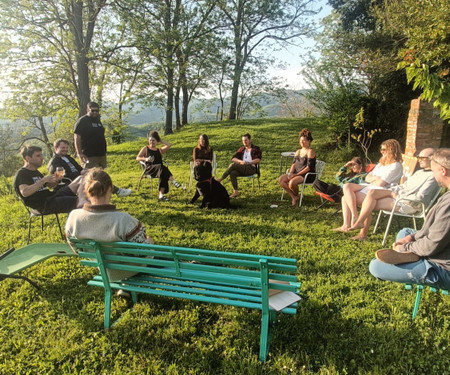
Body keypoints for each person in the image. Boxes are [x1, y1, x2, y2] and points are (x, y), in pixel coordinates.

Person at [369, 148, 450, 290]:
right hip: (440, 247)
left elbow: (432, 244)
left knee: (375, 266)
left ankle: (419, 260)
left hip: (444, 267)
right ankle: (414, 257)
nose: (433, 174)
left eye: (434, 170)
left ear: (443, 171)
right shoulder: (447, 195)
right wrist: (412, 238)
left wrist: (405, 247)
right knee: (406, 232)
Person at [66, 168, 153, 284]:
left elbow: (77, 249)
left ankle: (125, 287)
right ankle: (127, 283)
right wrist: (150, 242)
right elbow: (142, 252)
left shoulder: (73, 217)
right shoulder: (124, 220)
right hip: (132, 270)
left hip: (103, 270)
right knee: (151, 245)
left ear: (86, 190)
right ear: (111, 188)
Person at [349, 148, 439, 240]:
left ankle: (362, 232)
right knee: (372, 193)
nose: (418, 159)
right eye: (418, 157)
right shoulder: (419, 172)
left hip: (408, 203)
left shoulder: (433, 177)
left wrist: (397, 196)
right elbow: (404, 186)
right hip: (398, 196)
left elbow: (420, 198)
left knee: (368, 203)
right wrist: (392, 191)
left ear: (432, 158)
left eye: (422, 157)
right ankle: (360, 225)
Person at [333, 139, 403, 233]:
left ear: (392, 150)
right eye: (381, 149)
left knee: (345, 198)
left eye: (384, 150)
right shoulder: (381, 164)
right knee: (347, 186)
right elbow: (367, 177)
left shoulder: (396, 166)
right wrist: (376, 178)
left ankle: (355, 226)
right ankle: (353, 217)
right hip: (370, 185)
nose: (382, 151)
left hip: (381, 191)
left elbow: (381, 183)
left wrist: (375, 179)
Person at [73, 102, 131, 196]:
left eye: (97, 111)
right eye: (93, 110)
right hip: (89, 154)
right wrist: (79, 153)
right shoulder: (82, 121)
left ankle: (101, 193)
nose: (95, 112)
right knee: (90, 176)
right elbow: (77, 137)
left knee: (101, 176)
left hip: (101, 153)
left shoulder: (97, 120)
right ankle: (116, 191)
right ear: (88, 110)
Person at [14, 145, 82, 214]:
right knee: (80, 201)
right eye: (38, 156)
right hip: (43, 204)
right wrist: (43, 180)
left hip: (52, 196)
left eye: (41, 155)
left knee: (80, 179)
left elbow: (50, 186)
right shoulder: (22, 173)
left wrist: (57, 180)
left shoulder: (36, 171)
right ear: (28, 158)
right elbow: (25, 192)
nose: (42, 158)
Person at [136, 130, 181, 201]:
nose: (152, 142)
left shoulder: (159, 150)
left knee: (163, 172)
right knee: (162, 168)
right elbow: (137, 158)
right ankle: (173, 181)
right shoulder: (146, 148)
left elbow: (169, 145)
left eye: (154, 140)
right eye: (150, 140)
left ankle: (161, 195)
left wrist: (161, 140)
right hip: (149, 169)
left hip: (160, 170)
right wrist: (145, 159)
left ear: (157, 141)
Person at [278, 128, 316, 207]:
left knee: (292, 183)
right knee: (281, 179)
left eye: (304, 140)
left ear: (309, 141)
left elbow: (309, 167)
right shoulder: (298, 151)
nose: (302, 142)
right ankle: (294, 196)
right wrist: (291, 173)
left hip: (306, 174)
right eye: (301, 140)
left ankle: (296, 196)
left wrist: (297, 174)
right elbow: (294, 164)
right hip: (296, 173)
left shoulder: (310, 152)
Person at [217, 133, 262, 198]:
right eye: (243, 141)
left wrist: (248, 163)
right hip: (242, 167)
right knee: (233, 173)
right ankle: (235, 192)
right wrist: (241, 162)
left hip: (251, 168)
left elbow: (258, 160)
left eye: (246, 140)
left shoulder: (255, 148)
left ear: (250, 140)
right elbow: (233, 158)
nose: (244, 142)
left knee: (233, 165)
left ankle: (221, 179)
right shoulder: (242, 149)